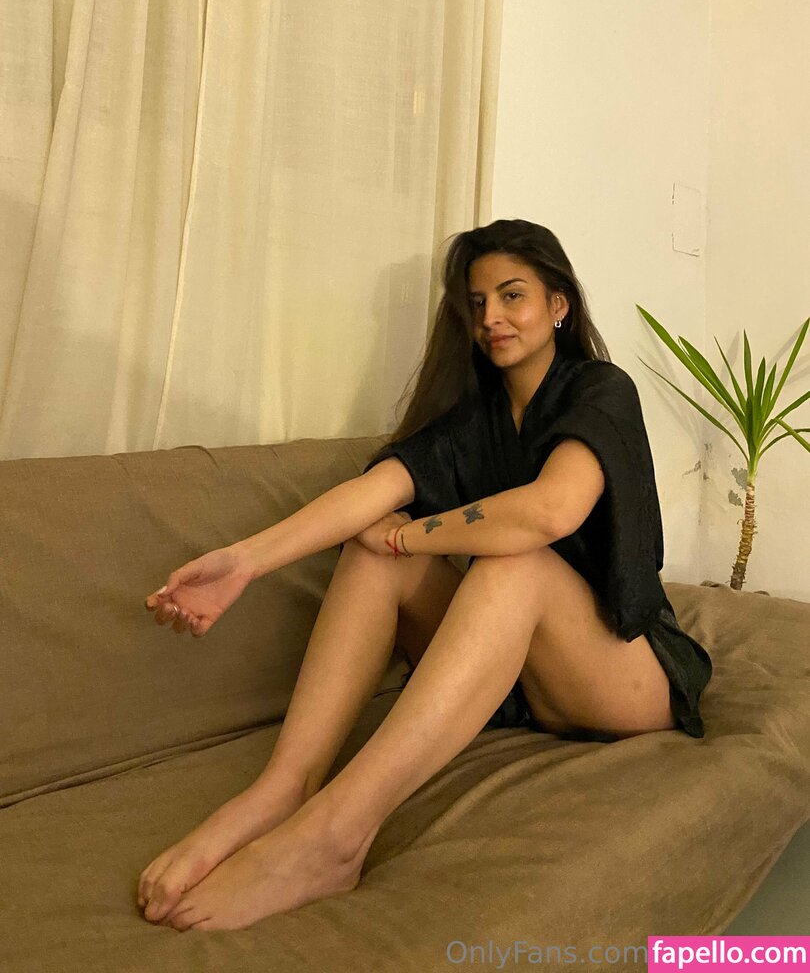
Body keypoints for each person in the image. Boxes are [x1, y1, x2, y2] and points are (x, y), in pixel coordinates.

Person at [137, 218, 712, 932]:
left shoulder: (600, 388)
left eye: (512, 295)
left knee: (511, 565)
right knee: (374, 554)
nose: (492, 317)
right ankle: (283, 788)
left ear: (559, 304)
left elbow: (549, 511)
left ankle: (336, 837)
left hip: (626, 672)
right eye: (478, 303)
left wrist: (411, 535)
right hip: (523, 682)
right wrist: (245, 562)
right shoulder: (475, 418)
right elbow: (367, 496)